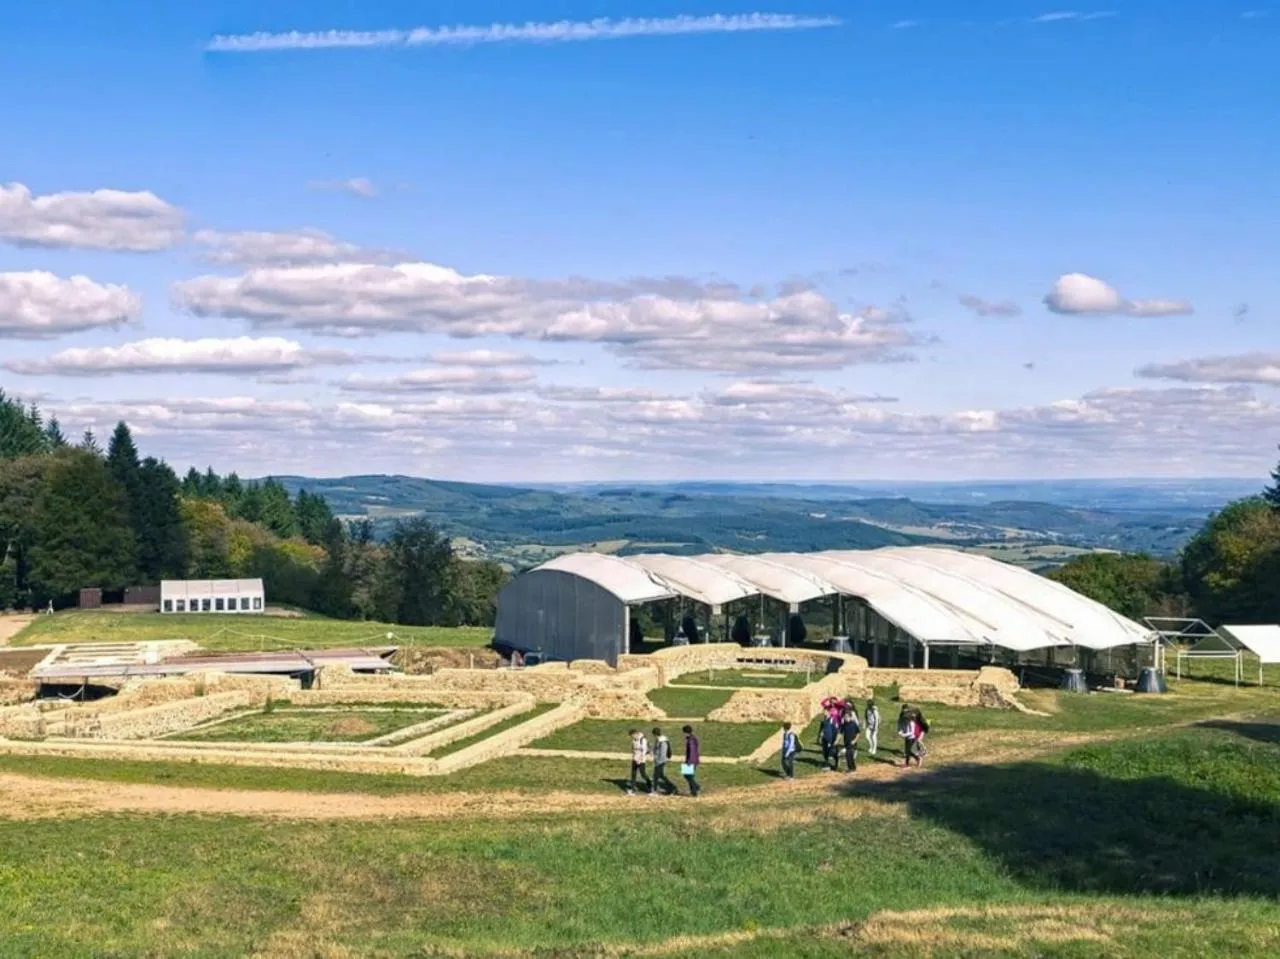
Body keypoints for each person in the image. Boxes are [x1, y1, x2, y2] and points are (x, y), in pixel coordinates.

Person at [651, 726, 676, 795]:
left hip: (660, 761)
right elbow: (656, 749)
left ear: (655, 734)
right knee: (661, 775)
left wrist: (658, 761)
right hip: (659, 760)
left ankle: (654, 791)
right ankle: (672, 788)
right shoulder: (660, 739)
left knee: (655, 776)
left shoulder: (662, 741)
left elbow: (663, 752)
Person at [627, 729, 652, 794]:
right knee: (633, 774)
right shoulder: (633, 740)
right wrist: (634, 757)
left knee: (643, 774)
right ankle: (633, 789)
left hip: (641, 760)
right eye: (631, 736)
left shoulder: (643, 740)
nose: (632, 737)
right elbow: (633, 749)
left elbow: (644, 751)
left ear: (636, 734)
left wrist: (640, 759)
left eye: (632, 735)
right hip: (635, 759)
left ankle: (650, 784)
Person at [681, 724, 701, 796]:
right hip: (694, 760)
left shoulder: (691, 740)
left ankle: (696, 787)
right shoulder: (693, 738)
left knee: (687, 775)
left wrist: (689, 762)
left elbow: (692, 751)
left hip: (691, 760)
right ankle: (693, 791)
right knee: (689, 776)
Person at [839, 704, 861, 773]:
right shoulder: (844, 725)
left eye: (847, 717)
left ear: (850, 717)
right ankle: (853, 768)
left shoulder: (853, 724)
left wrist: (854, 740)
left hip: (852, 743)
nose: (846, 718)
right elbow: (840, 733)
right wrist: (837, 741)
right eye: (845, 717)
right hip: (846, 742)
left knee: (848, 755)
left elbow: (858, 733)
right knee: (849, 756)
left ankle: (851, 769)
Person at [897, 704, 917, 768]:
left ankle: (908, 763)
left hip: (912, 737)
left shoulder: (911, 722)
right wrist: (899, 730)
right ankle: (916, 758)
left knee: (907, 751)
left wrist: (903, 734)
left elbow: (912, 732)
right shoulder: (904, 718)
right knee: (907, 751)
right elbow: (900, 722)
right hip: (907, 736)